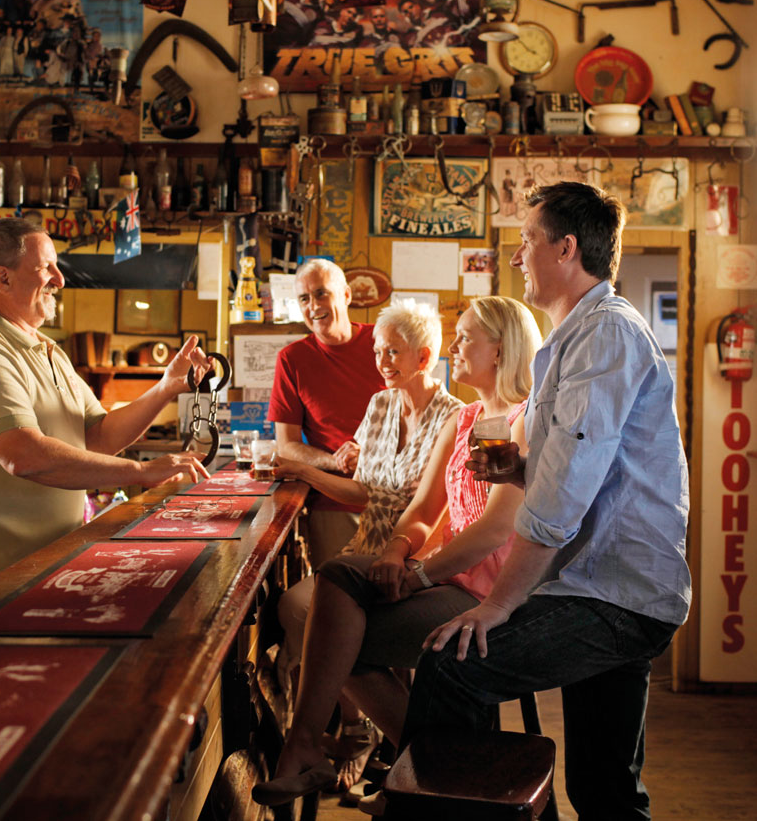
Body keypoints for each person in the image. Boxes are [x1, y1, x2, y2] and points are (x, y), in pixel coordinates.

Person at [402, 182, 692, 821]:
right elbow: (572, 467)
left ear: (566, 249)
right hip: (606, 587)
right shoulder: (573, 337)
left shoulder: (606, 334)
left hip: (617, 594)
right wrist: (520, 466)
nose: (516, 257)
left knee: (453, 666)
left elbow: (565, 490)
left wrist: (499, 604)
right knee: (604, 789)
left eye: (527, 241)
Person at [253, 296, 542, 807]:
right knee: (339, 582)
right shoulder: (466, 418)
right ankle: (417, 767)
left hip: (494, 594)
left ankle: (416, 764)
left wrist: (421, 575)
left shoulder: (525, 419)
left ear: (501, 350)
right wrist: (395, 551)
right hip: (450, 576)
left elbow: (499, 528)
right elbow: (426, 511)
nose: (455, 346)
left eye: (466, 337)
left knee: (341, 635)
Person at [0, 217, 210, 611]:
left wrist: (167, 387)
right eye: (45, 267)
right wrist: (141, 473)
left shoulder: (45, 348)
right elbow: (23, 455)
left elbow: (99, 436)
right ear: (3, 279)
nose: (60, 279)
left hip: (32, 573)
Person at [273, 300, 461, 787]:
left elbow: (430, 509)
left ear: (423, 358)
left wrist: (304, 470)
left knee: (323, 619)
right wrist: (309, 469)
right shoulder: (380, 404)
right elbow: (366, 490)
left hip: (419, 557)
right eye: (378, 352)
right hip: (365, 546)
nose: (381, 363)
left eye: (393, 353)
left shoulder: (455, 417)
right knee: (295, 608)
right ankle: (386, 749)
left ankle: (403, 755)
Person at [269, 259, 384, 568]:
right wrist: (335, 460)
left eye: (322, 294)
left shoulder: (384, 343)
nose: (313, 306)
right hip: (333, 506)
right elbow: (286, 446)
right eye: (304, 298)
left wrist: (372, 458)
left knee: (400, 603)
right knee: (336, 604)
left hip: (399, 499)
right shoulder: (292, 359)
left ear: (346, 295)